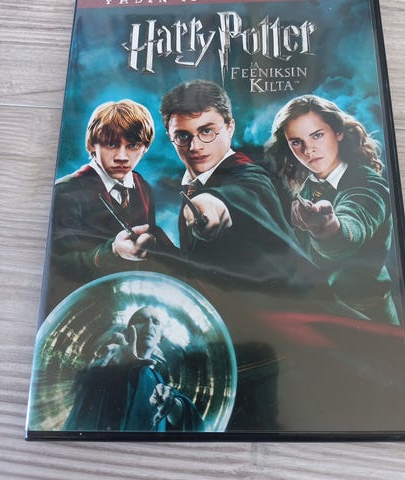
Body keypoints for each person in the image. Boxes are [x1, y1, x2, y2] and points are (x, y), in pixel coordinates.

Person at [159, 80, 329, 295]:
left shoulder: (249, 175)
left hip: (292, 305)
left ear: (230, 128)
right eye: (183, 136)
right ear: (170, 136)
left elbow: (247, 191)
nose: (195, 146)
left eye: (207, 131)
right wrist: (156, 246)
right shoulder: (194, 184)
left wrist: (212, 203)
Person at [265, 94, 399, 325]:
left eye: (317, 135)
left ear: (338, 132)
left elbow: (353, 225)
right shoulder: (309, 185)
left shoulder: (367, 184)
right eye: (296, 142)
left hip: (368, 317)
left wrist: (328, 229)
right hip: (324, 310)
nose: (308, 149)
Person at [44, 100, 172, 316]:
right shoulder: (66, 192)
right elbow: (60, 264)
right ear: (92, 145)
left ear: (145, 148)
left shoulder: (142, 186)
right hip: (85, 309)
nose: (122, 157)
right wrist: (112, 252)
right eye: (111, 145)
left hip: (132, 302)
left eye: (133, 146)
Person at [63, 306, 204, 432]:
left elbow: (191, 422)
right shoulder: (106, 365)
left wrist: (173, 405)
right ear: (127, 332)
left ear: (160, 338)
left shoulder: (159, 382)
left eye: (155, 322)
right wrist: (110, 368)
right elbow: (80, 391)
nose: (149, 325)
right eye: (141, 320)